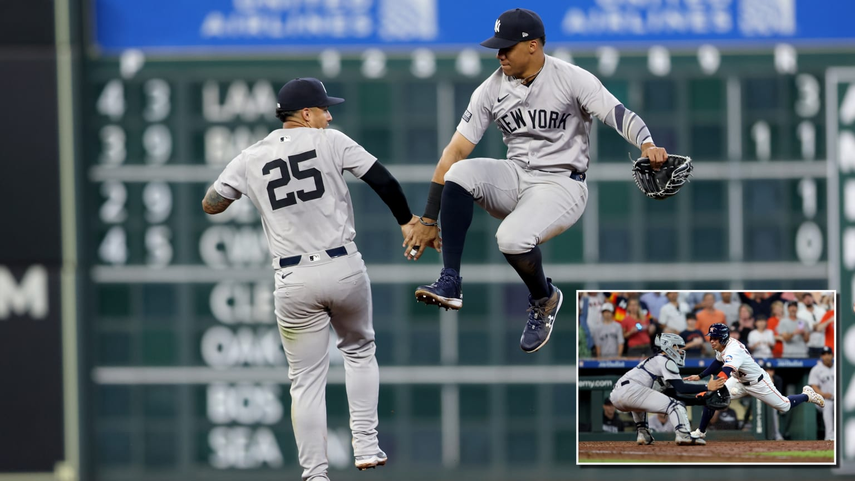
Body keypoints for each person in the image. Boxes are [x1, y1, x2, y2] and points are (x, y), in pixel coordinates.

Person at [404, 7, 669, 353]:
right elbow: (452, 153)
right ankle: (451, 280)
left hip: (562, 183)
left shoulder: (571, 78)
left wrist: (647, 143)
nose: (499, 55)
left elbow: (617, 113)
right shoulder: (491, 89)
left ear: (532, 45)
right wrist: (427, 219)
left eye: (507, 47)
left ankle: (544, 298)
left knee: (511, 239)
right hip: (516, 175)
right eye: (497, 47)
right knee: (459, 172)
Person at [201, 78, 425, 479]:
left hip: (293, 278)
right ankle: (367, 445)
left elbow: (212, 204)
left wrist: (249, 190)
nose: (329, 114)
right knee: (359, 351)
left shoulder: (250, 157)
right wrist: (407, 220)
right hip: (343, 267)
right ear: (306, 114)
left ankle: (315, 474)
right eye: (324, 109)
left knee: (305, 381)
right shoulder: (331, 141)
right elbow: (382, 180)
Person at [684, 323, 825, 443]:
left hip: (758, 382)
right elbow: (718, 361)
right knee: (712, 397)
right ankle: (700, 432)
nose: (712, 340)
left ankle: (806, 395)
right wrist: (701, 375)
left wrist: (713, 384)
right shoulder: (722, 346)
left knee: (784, 406)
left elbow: (725, 371)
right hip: (739, 380)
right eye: (711, 337)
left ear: (723, 338)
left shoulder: (734, 350)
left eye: (715, 338)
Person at [608, 333, 724, 445]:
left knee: (644, 403)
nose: (680, 350)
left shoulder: (656, 360)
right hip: (632, 390)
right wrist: (707, 387)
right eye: (676, 346)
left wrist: (700, 400)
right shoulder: (665, 360)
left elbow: (674, 394)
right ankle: (683, 435)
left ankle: (643, 433)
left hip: (618, 394)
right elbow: (682, 388)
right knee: (676, 406)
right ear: (668, 347)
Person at [808, 346, 835, 440]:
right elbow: (814, 386)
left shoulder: (839, 367)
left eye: (828, 354)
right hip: (823, 400)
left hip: (836, 398)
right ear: (821, 356)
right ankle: (830, 436)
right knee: (828, 405)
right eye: (824, 354)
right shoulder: (816, 369)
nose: (827, 356)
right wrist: (823, 394)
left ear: (832, 355)